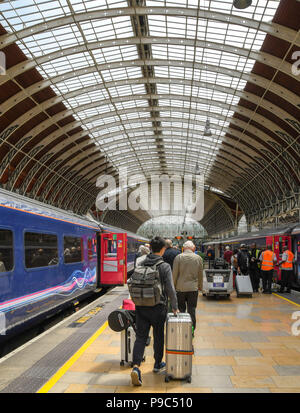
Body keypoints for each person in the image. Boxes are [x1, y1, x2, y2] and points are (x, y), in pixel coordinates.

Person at [130, 237, 179, 387]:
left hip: (140, 306)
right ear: (163, 249)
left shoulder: (141, 262)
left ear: (150, 247)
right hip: (158, 307)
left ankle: (136, 367)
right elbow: (170, 288)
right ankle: (157, 364)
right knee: (158, 336)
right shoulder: (164, 266)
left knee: (140, 337)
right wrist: (175, 306)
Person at [172, 240, 203, 336]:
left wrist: (173, 287)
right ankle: (192, 331)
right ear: (193, 248)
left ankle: (182, 329)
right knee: (192, 310)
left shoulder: (178, 257)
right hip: (193, 289)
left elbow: (175, 274)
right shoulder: (198, 258)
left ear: (184, 248)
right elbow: (200, 274)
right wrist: (200, 286)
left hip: (180, 289)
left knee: (181, 309)